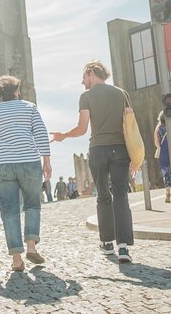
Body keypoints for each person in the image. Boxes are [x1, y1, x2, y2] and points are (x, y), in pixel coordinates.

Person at [50, 60, 138, 263]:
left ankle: (107, 242)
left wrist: (64, 135)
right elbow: (131, 125)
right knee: (121, 196)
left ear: (91, 73)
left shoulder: (86, 97)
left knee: (103, 196)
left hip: (98, 149)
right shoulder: (121, 94)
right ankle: (123, 247)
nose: (82, 82)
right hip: (120, 149)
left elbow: (81, 129)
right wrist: (135, 155)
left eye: (84, 77)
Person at [0, 75, 52, 272]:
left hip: (2, 164)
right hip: (29, 161)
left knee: (9, 210)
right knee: (32, 204)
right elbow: (40, 133)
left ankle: (16, 260)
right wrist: (46, 160)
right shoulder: (29, 107)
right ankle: (31, 245)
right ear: (17, 91)